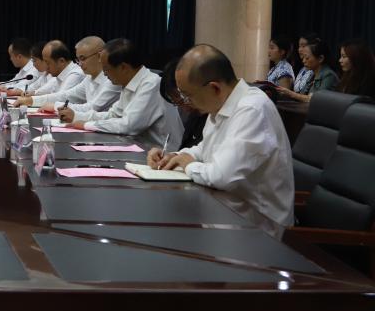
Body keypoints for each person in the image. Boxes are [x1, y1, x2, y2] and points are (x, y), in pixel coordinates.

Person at [148, 45, 293, 238]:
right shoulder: (221, 104)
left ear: (214, 88)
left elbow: (221, 176)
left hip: (255, 227)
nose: (186, 103)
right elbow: (207, 148)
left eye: (188, 96)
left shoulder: (252, 109)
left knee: (168, 233)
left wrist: (187, 164)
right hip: (224, 209)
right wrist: (175, 157)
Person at [58, 38, 183, 148]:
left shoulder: (151, 84)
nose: (105, 74)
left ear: (123, 67)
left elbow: (129, 126)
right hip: (136, 147)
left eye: (106, 69)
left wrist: (87, 125)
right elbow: (113, 114)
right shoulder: (128, 83)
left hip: (160, 155)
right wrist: (77, 117)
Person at [21, 35, 120, 112]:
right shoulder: (89, 77)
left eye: (83, 58)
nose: (80, 64)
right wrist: (32, 100)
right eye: (78, 59)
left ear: (99, 56)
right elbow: (67, 95)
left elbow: (93, 108)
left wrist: (55, 106)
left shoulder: (113, 79)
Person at [17, 40, 84, 104]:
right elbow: (49, 88)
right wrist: (34, 93)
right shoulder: (59, 74)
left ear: (61, 61)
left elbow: (60, 99)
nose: (46, 67)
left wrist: (31, 100)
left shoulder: (76, 75)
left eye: (48, 63)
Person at [160, 57, 206, 150]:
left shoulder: (212, 115)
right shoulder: (195, 115)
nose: (185, 109)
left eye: (183, 100)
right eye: (178, 104)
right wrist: (173, 156)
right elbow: (187, 149)